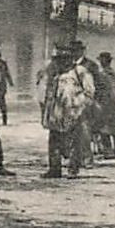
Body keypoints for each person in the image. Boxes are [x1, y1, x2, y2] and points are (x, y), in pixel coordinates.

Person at [41, 41, 95, 179]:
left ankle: (73, 168)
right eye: (59, 59)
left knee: (73, 142)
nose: (62, 62)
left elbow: (89, 92)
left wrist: (77, 106)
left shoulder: (80, 72)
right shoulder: (55, 74)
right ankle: (54, 169)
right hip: (57, 114)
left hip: (73, 113)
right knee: (54, 142)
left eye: (65, 59)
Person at [94, 51, 115, 157]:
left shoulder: (101, 75)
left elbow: (98, 91)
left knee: (104, 129)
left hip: (106, 106)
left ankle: (108, 151)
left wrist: (97, 103)